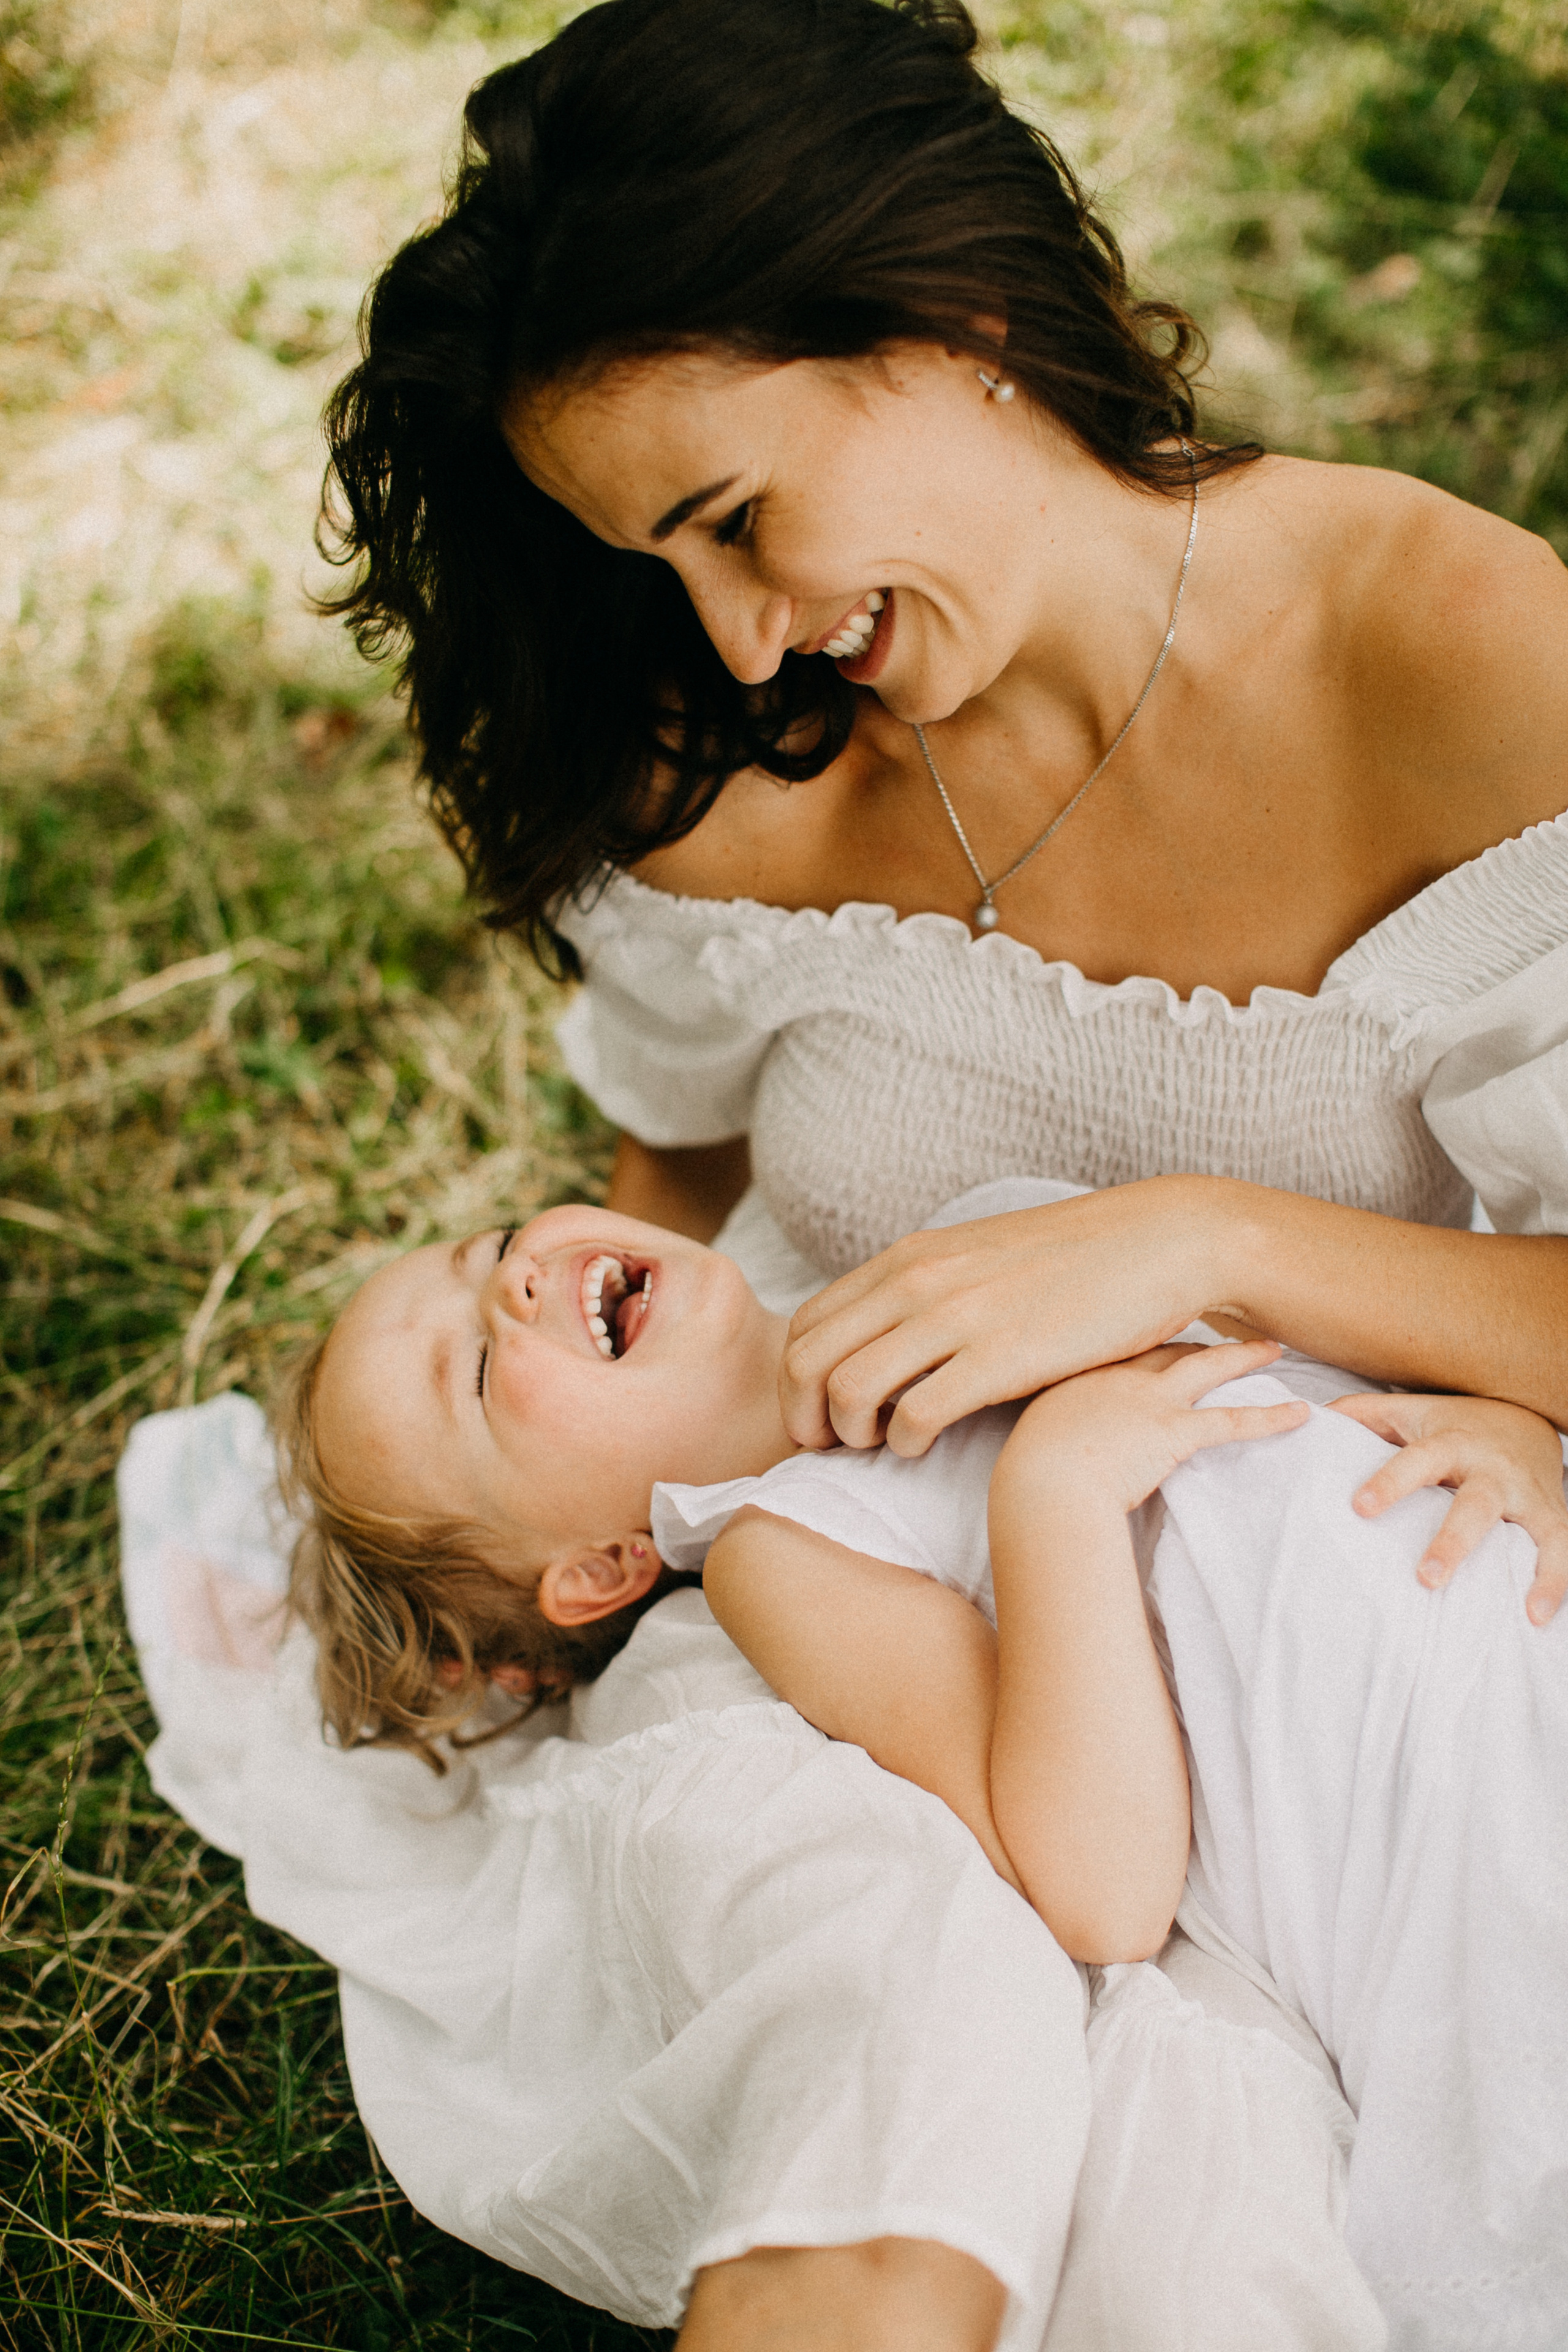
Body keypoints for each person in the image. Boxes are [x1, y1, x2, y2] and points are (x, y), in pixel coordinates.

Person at [314, 0, 1568, 2333]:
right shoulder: (728, 746)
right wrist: (609, 1501)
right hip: (925, 1652)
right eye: (649, 562)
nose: (737, 629)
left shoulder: (1452, 656)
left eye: (735, 519)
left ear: (951, 322)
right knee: (914, 2016)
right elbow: (669, 1168)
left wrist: (1195, 1244)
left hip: (1376, 1669)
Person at [279, 1188, 1568, 2343]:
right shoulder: (782, 1548)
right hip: (1432, 1831)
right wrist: (1052, 1493)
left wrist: (1501, 1425)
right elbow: (1101, 1890)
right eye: (475, 1374)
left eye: (492, 1248)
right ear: (603, 1568)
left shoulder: (976, 1249)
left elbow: (1303, 1364)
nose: (510, 1281)